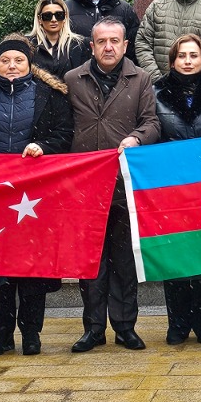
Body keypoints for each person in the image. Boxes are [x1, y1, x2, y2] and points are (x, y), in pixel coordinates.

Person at [0, 34, 75, 355]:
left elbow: (64, 134)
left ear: (29, 64)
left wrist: (44, 148)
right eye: (5, 60)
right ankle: (1, 334)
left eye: (18, 60)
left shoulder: (51, 95)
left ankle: (32, 333)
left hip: (35, 197)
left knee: (32, 266)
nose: (11, 66)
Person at [67, 18, 160, 351]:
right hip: (86, 188)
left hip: (124, 186)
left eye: (115, 41)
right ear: (92, 46)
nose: (108, 47)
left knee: (123, 261)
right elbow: (64, 129)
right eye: (102, 41)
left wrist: (137, 137)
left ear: (125, 45)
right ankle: (93, 328)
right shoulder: (72, 80)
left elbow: (152, 123)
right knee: (90, 261)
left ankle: (125, 326)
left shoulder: (141, 79)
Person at [155, 35, 201, 344]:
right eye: (181, 55)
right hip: (171, 185)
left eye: (193, 55)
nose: (187, 60)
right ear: (172, 61)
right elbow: (152, 131)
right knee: (177, 255)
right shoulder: (155, 93)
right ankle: (178, 323)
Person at [29, 0, 91, 76]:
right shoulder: (28, 45)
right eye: (47, 16)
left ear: (65, 17)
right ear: (40, 19)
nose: (53, 20)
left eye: (59, 15)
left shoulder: (79, 45)